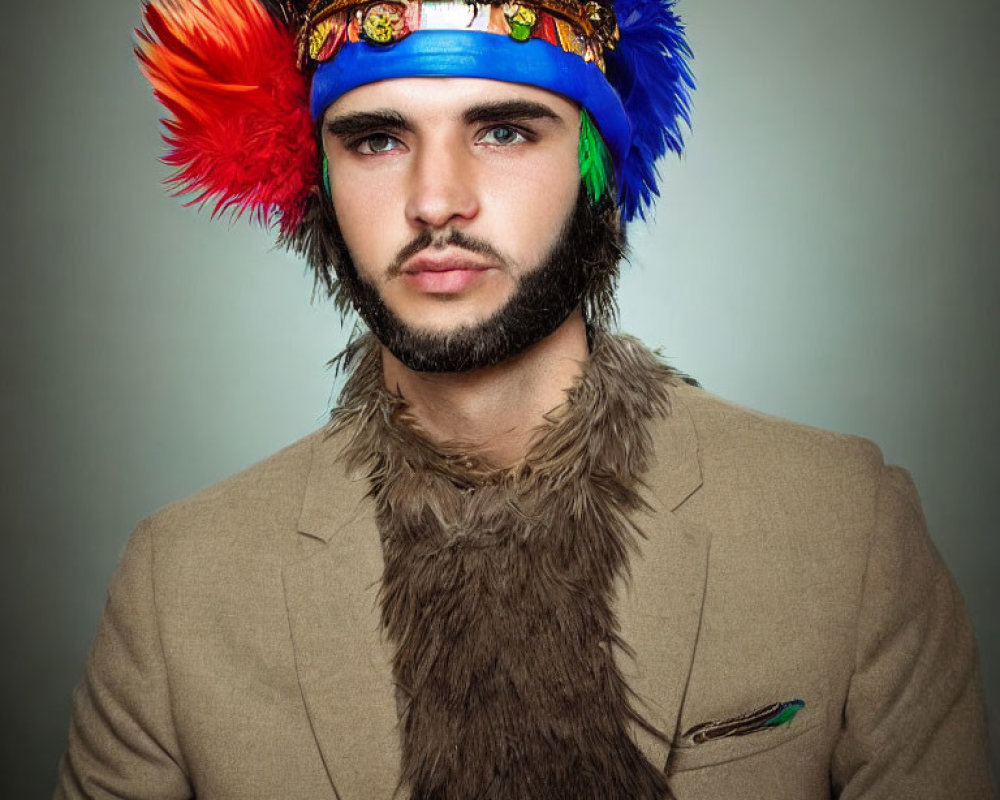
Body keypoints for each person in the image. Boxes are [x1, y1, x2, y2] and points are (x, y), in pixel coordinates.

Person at [55, 0, 995, 796]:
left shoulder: (844, 524)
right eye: (378, 139)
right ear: (319, 185)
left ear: (597, 166)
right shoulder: (178, 589)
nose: (436, 200)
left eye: (504, 131)